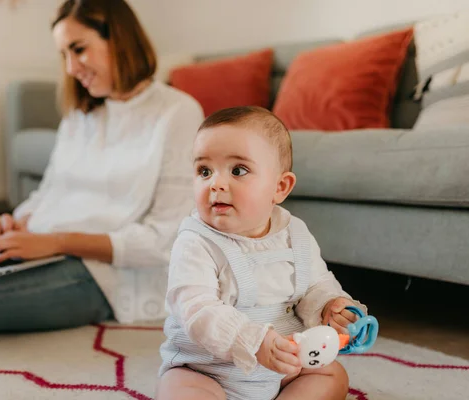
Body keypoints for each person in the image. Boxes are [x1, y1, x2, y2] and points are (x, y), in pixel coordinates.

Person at [0, 0, 203, 343]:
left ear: (119, 38)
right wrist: (17, 221)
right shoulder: (82, 115)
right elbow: (50, 192)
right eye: (64, 55)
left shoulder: (178, 113)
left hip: (103, 276)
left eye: (79, 49)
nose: (71, 67)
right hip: (43, 250)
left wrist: (54, 242)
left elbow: (165, 241)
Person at [156, 106, 366, 400]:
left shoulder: (297, 233)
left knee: (331, 376)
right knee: (180, 390)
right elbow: (197, 309)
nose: (215, 183)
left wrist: (330, 306)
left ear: (280, 187)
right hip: (207, 371)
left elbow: (315, 285)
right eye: (204, 171)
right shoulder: (194, 241)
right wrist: (251, 341)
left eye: (238, 170)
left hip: (284, 366)